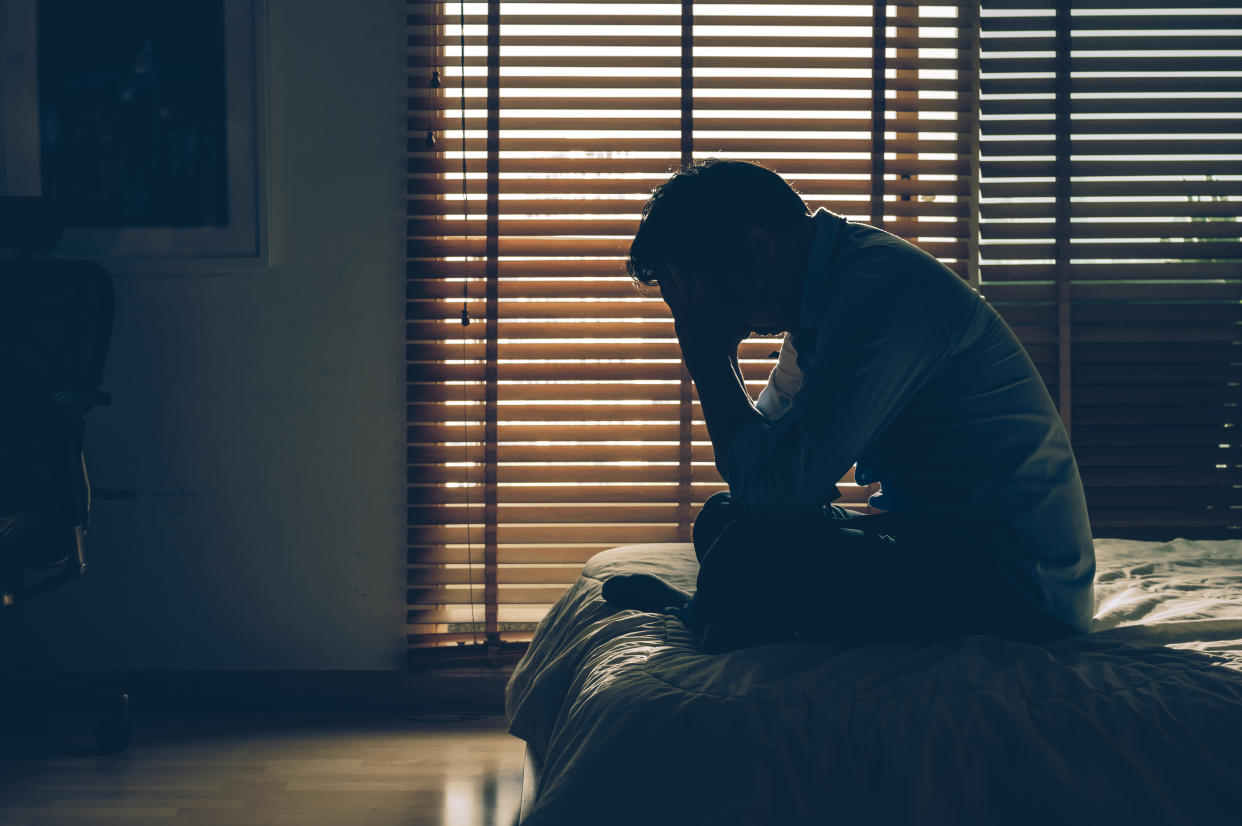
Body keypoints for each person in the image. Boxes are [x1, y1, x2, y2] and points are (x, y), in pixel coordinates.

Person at [601, 159, 1095, 653]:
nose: (699, 312)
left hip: (1017, 591)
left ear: (756, 249)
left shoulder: (882, 296)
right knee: (722, 517)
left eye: (701, 290)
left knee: (748, 550)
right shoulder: (825, 297)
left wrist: (706, 357)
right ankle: (714, 612)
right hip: (934, 541)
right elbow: (760, 468)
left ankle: (704, 614)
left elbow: (777, 490)